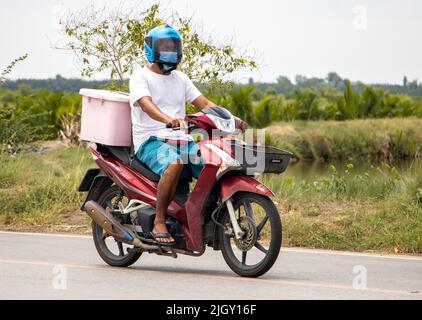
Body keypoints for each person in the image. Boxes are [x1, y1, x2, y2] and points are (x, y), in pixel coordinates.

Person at [129, 25, 216, 245]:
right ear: (152, 49)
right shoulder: (140, 76)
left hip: (182, 139)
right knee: (175, 163)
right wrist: (167, 119)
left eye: (173, 47)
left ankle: (202, 216)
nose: (170, 51)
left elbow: (203, 103)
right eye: (165, 47)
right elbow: (146, 104)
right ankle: (159, 220)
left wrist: (228, 118)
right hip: (150, 140)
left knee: (214, 165)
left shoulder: (181, 78)